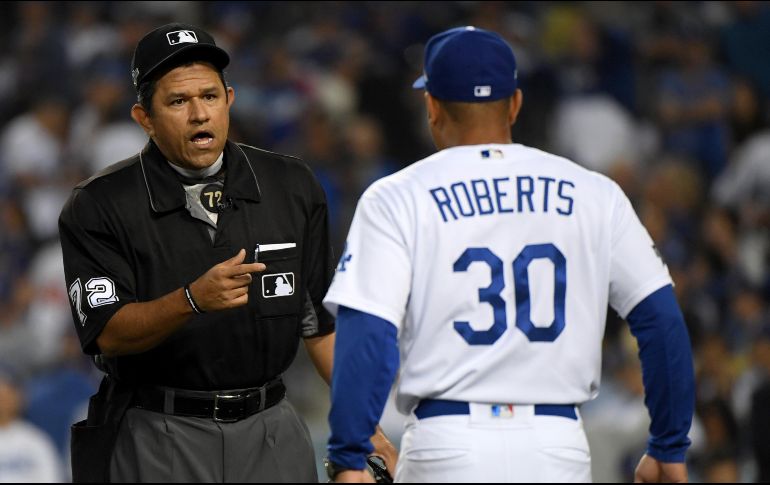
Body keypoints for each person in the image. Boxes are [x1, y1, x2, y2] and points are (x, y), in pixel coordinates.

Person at [322, 26, 695, 483]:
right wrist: (668, 445)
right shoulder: (596, 193)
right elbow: (661, 321)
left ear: (431, 105)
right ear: (515, 104)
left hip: (447, 444)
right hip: (555, 446)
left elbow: (369, 334)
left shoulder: (396, 197)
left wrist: (349, 454)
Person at [58, 22, 393, 483]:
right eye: (178, 101)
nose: (199, 114)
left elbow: (319, 323)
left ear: (229, 100)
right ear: (144, 117)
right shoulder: (100, 203)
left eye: (210, 96)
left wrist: (365, 428)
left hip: (271, 427)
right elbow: (108, 333)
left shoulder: (291, 185)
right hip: (160, 430)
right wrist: (191, 300)